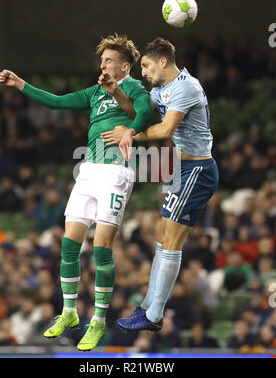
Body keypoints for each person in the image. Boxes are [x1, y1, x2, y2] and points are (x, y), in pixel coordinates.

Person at [0, 33, 151, 351]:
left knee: (101, 250)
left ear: (125, 65)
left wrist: (117, 95)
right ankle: (69, 313)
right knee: (69, 246)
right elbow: (56, 102)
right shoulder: (95, 91)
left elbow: (145, 116)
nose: (103, 64)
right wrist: (21, 84)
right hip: (89, 171)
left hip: (116, 173)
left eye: (109, 60)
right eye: (102, 60)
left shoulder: (135, 88)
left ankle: (97, 320)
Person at [101, 37, 219, 331]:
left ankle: (154, 315)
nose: (144, 72)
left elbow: (166, 128)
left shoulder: (186, 87)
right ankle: (147, 306)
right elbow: (137, 113)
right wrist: (115, 91)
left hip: (198, 169)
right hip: (184, 168)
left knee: (171, 241)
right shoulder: (161, 89)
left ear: (163, 61)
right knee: (162, 234)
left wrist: (131, 136)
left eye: (147, 65)